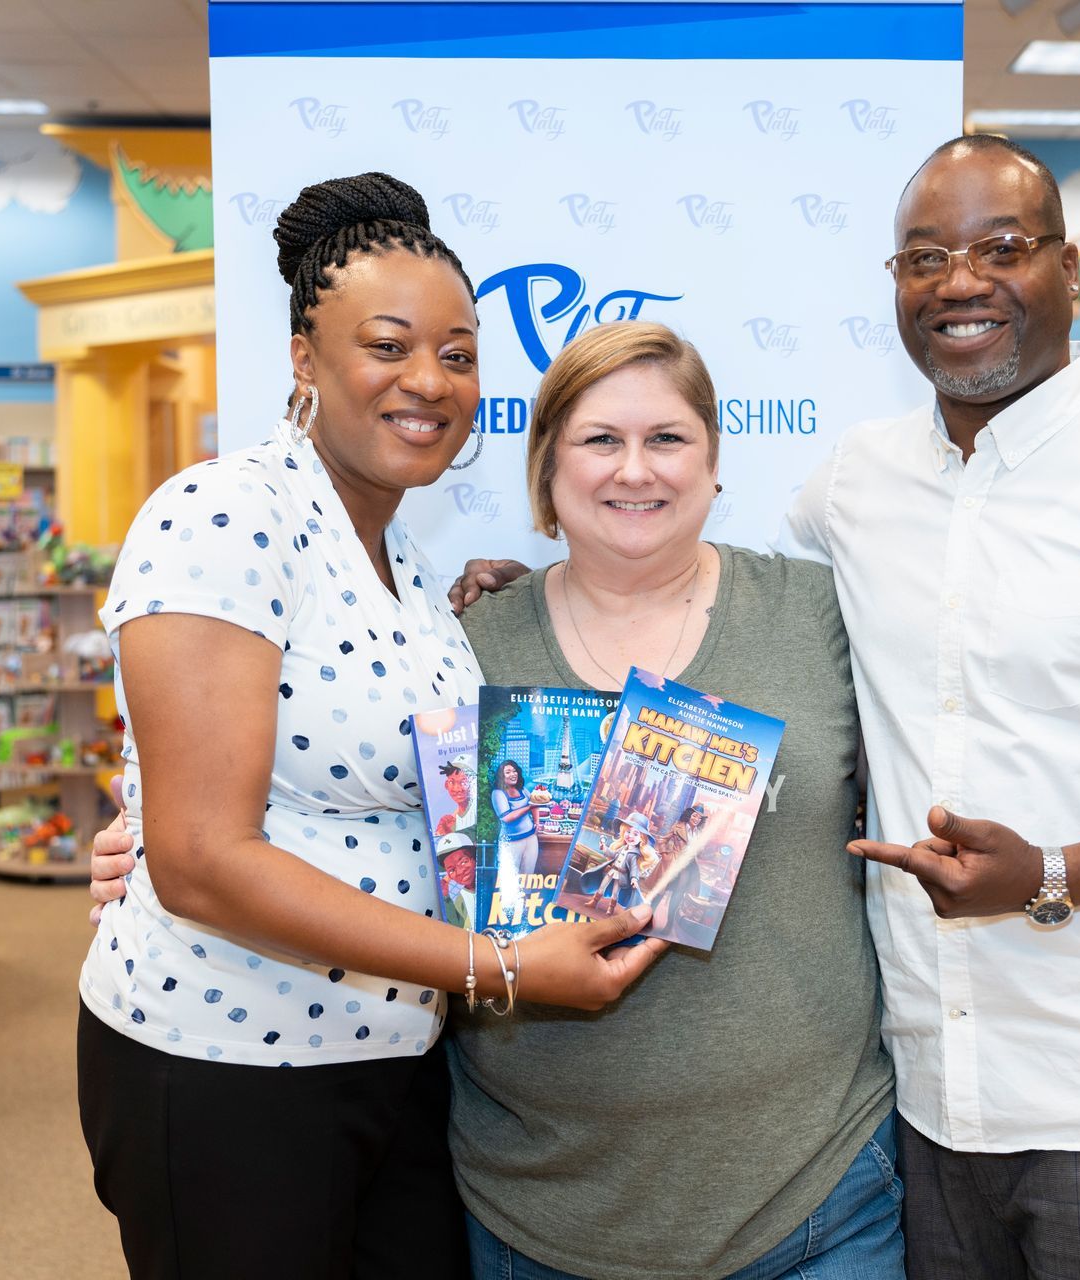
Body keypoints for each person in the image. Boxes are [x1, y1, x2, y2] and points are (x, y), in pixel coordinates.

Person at [453, 137, 1080, 1279]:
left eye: (1002, 247)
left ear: (1070, 270)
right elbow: (678, 565)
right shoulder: (856, 487)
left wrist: (1056, 870)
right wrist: (535, 581)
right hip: (924, 1100)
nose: (962, 280)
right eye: (925, 256)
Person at [94, 320, 903, 1280]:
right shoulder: (456, 647)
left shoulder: (821, 614)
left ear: (716, 464)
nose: (634, 469)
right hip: (534, 1211)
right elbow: (330, 780)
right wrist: (145, 835)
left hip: (816, 1198)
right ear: (546, 472)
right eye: (600, 440)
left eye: (668, 438)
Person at [74, 173, 664, 1280]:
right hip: (224, 1068)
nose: (429, 381)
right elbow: (203, 861)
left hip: (392, 1061)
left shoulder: (409, 564)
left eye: (457, 352)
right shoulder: (224, 514)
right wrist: (496, 965)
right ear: (304, 358)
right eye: (387, 345)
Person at [488, 758, 541, 918]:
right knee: (510, 878)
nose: (513, 774)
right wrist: (529, 807)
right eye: (508, 772)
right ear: (501, 776)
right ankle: (508, 911)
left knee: (527, 875)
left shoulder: (523, 790)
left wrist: (537, 821)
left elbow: (535, 803)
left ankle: (525, 910)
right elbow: (507, 817)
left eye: (514, 771)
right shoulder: (498, 793)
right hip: (511, 842)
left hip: (530, 839)